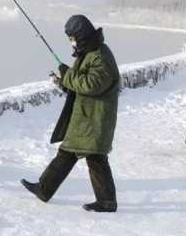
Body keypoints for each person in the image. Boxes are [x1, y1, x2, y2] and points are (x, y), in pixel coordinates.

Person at [20, 15, 120, 212]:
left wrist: (67, 75)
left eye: (72, 38)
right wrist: (62, 81)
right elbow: (80, 85)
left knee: (92, 157)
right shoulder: (89, 52)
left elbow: (91, 85)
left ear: (81, 36)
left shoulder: (101, 57)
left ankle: (106, 202)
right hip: (86, 119)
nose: (71, 42)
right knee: (71, 154)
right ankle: (44, 189)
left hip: (94, 120)